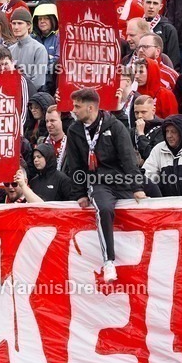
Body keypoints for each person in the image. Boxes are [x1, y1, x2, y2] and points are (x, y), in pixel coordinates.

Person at [64, 88, 146, 283]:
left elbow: (128, 159)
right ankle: (108, 261)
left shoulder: (115, 126)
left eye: (77, 106)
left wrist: (137, 187)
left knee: (147, 200)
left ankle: (143, 264)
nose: (73, 110)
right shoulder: (74, 130)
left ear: (90, 108)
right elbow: (75, 164)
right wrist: (80, 193)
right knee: (105, 208)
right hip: (97, 182)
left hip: (120, 180)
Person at [8, 8, 48, 96]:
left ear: (29, 25)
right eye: (14, 23)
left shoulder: (39, 49)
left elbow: (38, 82)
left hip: (31, 97)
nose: (16, 27)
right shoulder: (10, 50)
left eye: (20, 23)